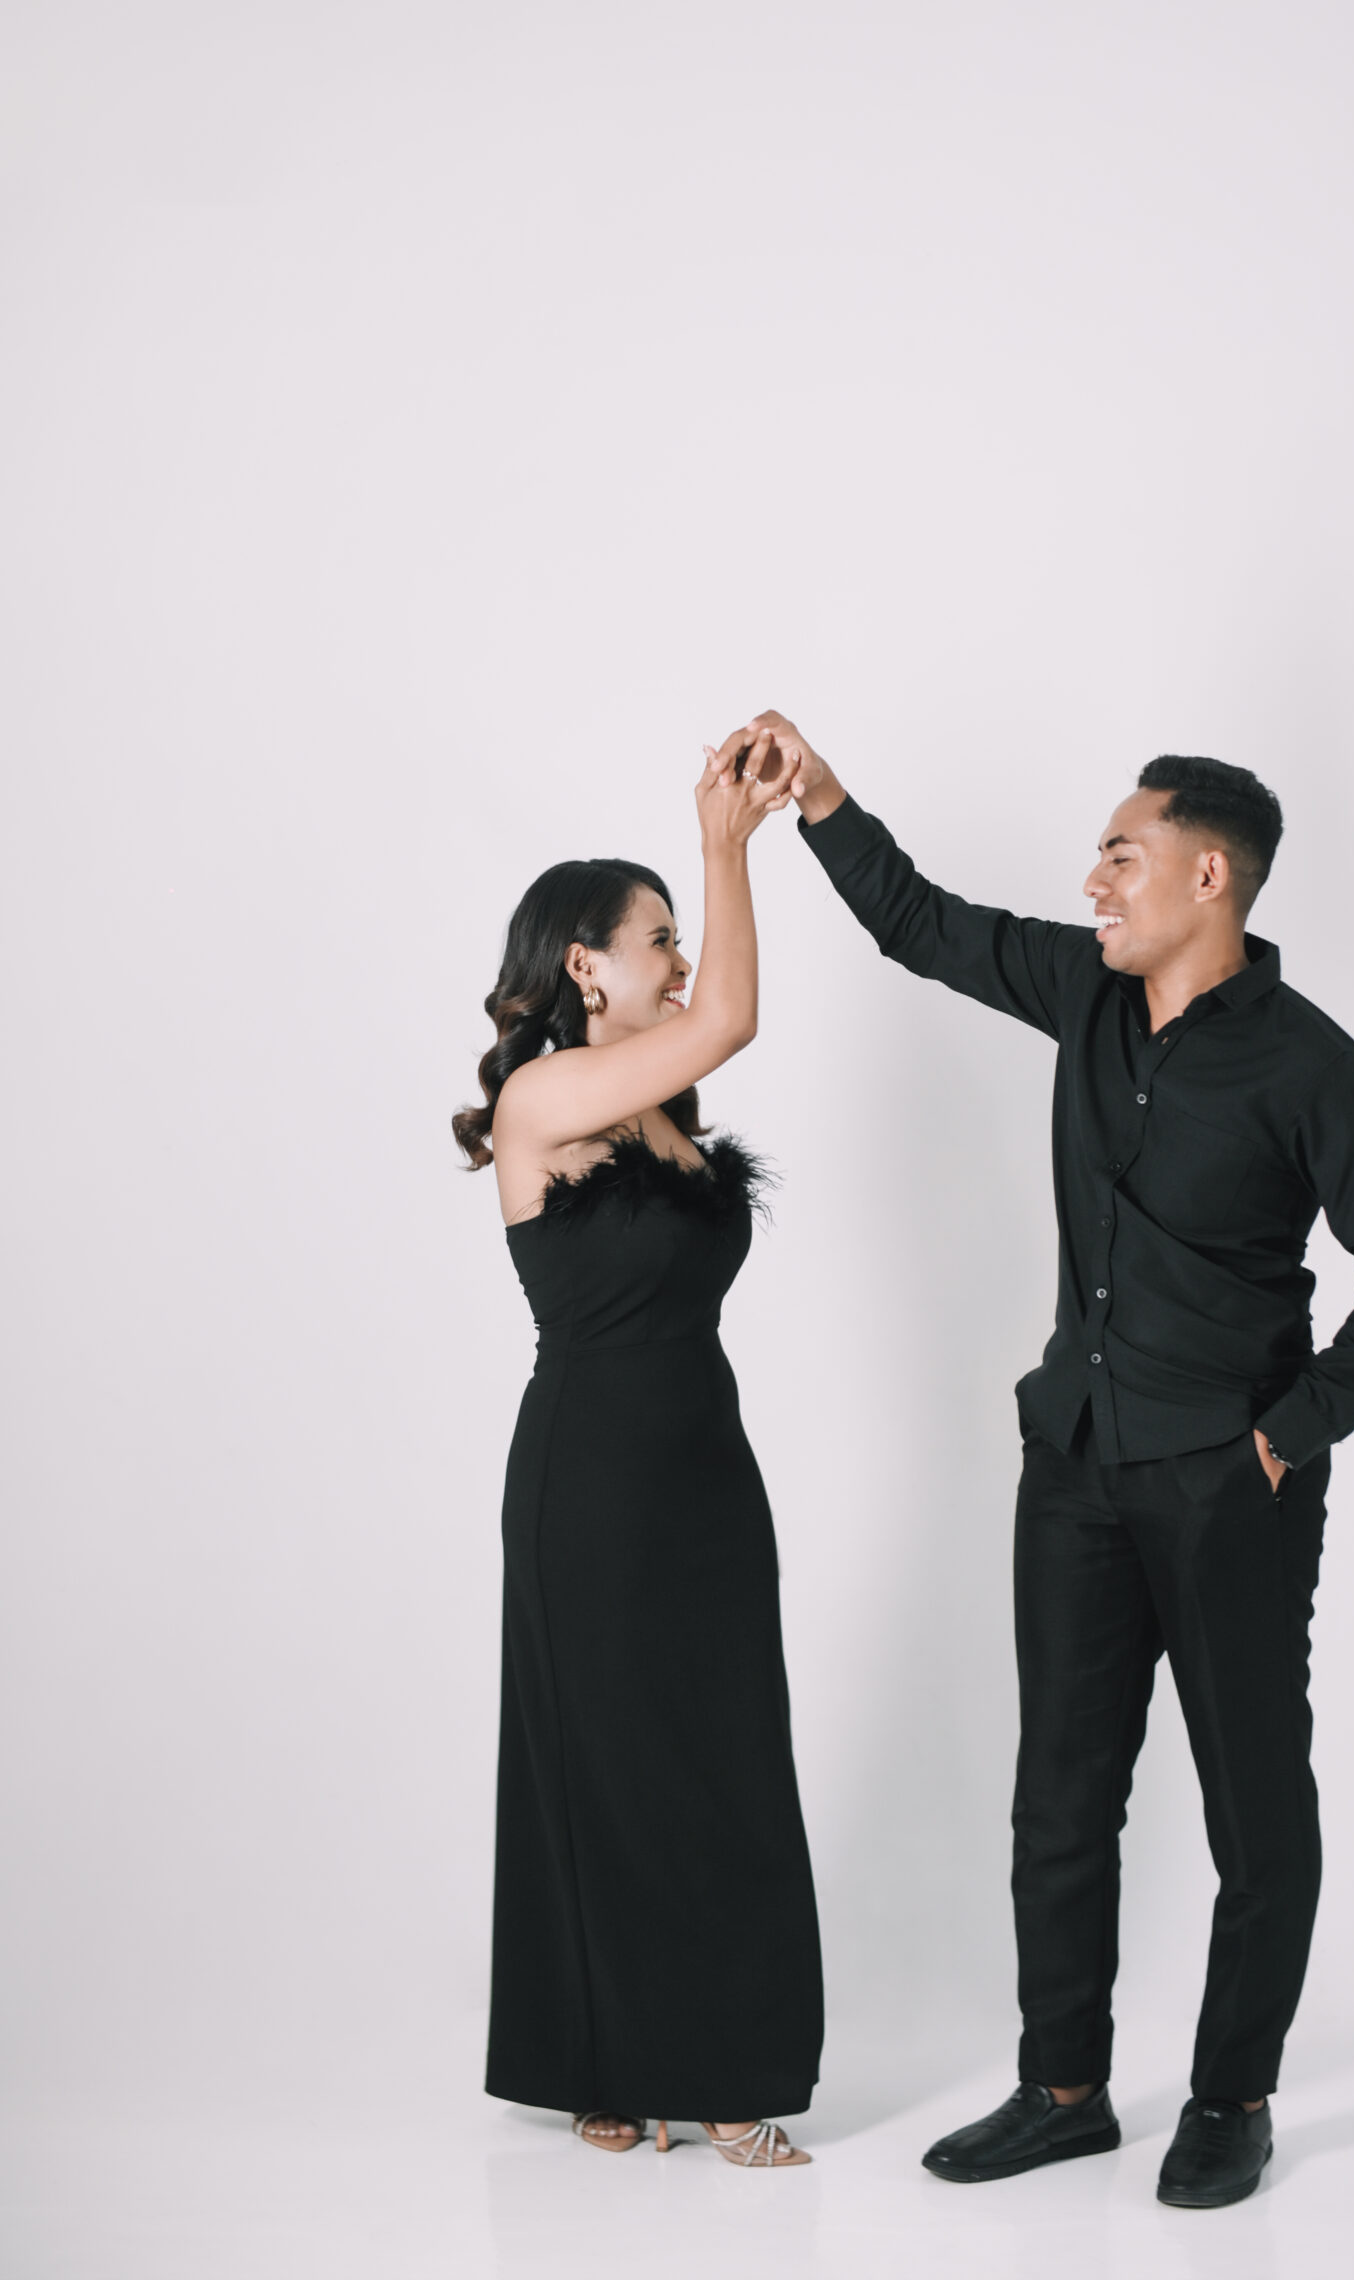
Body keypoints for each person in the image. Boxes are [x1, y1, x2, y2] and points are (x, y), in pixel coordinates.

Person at [741, 711, 1354, 2209]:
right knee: (1060, 1798)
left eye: (1122, 857)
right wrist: (821, 800)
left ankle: (1231, 2098)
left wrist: (1290, 1435)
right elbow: (922, 925)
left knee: (1256, 1807)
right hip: (1074, 1459)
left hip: (1229, 1480)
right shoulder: (1084, 991)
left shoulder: (1314, 1067)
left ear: (1209, 876)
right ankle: (1061, 2091)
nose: (1094, 883)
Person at [451, 727, 821, 2171]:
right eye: (658, 938)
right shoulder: (542, 1102)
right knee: (606, 1762)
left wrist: (720, 862)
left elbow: (706, 1031)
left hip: (706, 1473)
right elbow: (731, 1016)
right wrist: (726, 841)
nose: (681, 960)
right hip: (591, 1480)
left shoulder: (666, 1114)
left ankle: (715, 2058)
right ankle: (613, 2061)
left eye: (678, 935)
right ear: (585, 968)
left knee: (722, 1755)